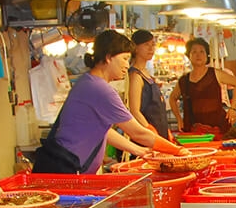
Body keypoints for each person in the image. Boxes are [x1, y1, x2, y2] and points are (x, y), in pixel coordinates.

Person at [35, 29, 183, 174]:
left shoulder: (88, 82)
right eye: (124, 58)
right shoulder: (100, 89)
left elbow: (104, 131)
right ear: (108, 57)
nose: (127, 65)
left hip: (68, 168)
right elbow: (138, 133)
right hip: (66, 170)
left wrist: (139, 150)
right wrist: (178, 150)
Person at [168, 37, 236, 135]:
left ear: (207, 56)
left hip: (218, 127)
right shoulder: (184, 80)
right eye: (194, 52)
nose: (198, 55)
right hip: (193, 129)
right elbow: (172, 98)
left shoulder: (215, 73)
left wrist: (233, 108)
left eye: (202, 52)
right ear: (189, 56)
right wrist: (179, 119)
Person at [126, 29, 171, 140]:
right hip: (148, 137)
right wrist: (150, 131)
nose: (151, 49)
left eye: (153, 45)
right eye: (146, 45)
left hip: (159, 133)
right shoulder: (136, 76)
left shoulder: (146, 73)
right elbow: (134, 111)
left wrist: (166, 130)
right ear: (135, 48)